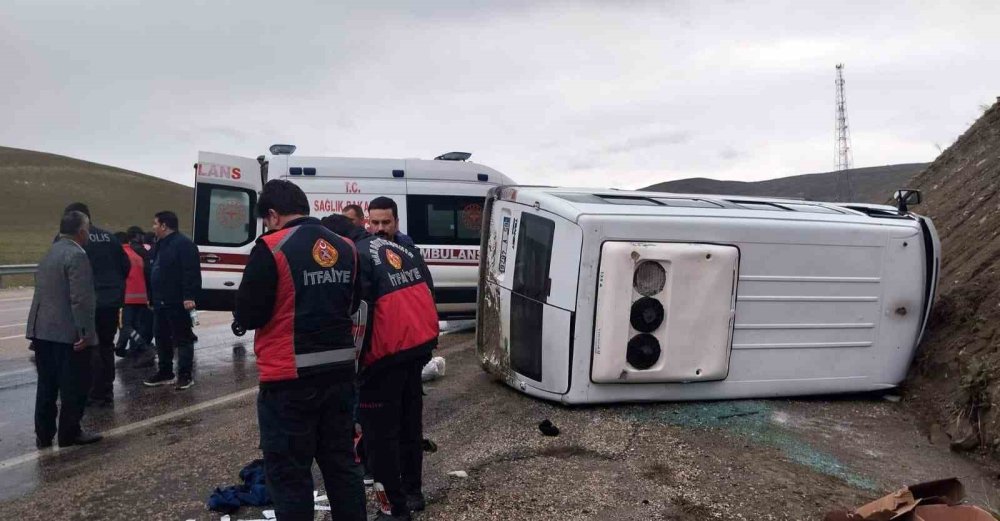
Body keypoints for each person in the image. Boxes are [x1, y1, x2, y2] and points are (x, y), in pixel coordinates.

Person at [234, 180, 365, 521]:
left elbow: (249, 314)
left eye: (266, 220)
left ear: (273, 215)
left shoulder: (272, 247)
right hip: (339, 376)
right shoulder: (346, 247)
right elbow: (352, 304)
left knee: (291, 478)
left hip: (288, 382)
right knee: (342, 468)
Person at [354, 211, 438, 520]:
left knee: (384, 437)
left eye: (385, 222)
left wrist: (357, 364)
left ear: (397, 222)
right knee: (406, 426)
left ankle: (395, 505)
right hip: (411, 352)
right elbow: (427, 296)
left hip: (385, 360)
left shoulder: (362, 256)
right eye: (373, 223)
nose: (379, 228)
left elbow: (359, 313)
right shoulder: (404, 253)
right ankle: (408, 492)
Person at [26, 210, 103, 448]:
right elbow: (81, 299)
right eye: (87, 229)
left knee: (47, 385)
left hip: (42, 331)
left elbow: (41, 294)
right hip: (68, 334)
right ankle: (70, 433)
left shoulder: (49, 253)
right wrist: (85, 333)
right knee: (74, 385)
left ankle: (44, 434)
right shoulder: (77, 255)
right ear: (81, 232)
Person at [62, 203, 129, 408]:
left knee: (87, 347)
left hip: (86, 302)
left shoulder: (74, 240)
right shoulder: (110, 237)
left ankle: (91, 391)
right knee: (106, 346)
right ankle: (106, 392)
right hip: (110, 302)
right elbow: (125, 265)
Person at [143, 211, 201, 390]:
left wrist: (189, 296)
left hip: (177, 301)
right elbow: (153, 270)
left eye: (155, 224)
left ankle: (185, 375)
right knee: (161, 337)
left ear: (164, 225)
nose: (153, 227)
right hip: (160, 301)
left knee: (182, 337)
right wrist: (152, 298)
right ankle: (165, 372)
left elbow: (190, 272)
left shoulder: (184, 245)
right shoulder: (158, 245)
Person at [116, 226, 154, 368]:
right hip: (141, 297)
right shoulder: (136, 255)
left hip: (127, 297)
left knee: (125, 326)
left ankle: (144, 348)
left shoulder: (121, 255)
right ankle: (131, 350)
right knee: (136, 326)